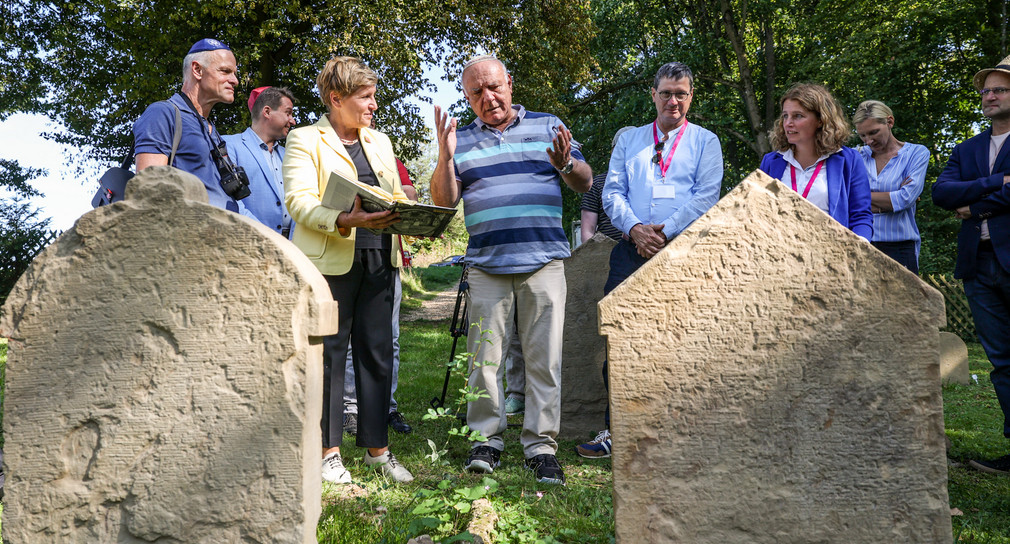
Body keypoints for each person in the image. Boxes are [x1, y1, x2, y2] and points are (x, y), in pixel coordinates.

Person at [431, 54, 592, 485]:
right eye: (476, 92)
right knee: (484, 361)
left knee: (544, 361)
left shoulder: (547, 125)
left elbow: (584, 181)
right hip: (486, 266)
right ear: (467, 98)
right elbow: (443, 203)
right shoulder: (460, 139)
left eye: (494, 87)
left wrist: (565, 163)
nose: (488, 97)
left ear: (510, 85)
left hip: (543, 263)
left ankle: (541, 448)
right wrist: (446, 158)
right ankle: (486, 439)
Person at [580, 63, 723, 459]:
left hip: (684, 252)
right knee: (620, 338)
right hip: (630, 248)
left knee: (685, 340)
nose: (672, 101)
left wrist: (665, 232)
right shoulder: (630, 140)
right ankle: (615, 430)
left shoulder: (705, 141)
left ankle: (681, 434)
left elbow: (706, 195)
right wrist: (636, 229)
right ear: (653, 95)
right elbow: (612, 192)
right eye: (666, 93)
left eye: (681, 93)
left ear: (691, 96)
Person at [283, 56, 413, 484]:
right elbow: (299, 203)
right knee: (331, 355)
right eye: (366, 97)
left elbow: (394, 194)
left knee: (378, 353)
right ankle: (328, 453)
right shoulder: (305, 139)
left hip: (380, 256)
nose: (374, 106)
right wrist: (341, 220)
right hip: (331, 261)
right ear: (336, 99)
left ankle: (378, 450)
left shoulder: (381, 141)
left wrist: (415, 215)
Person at [932, 54, 1010, 475]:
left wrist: (973, 205)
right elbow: (942, 195)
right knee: (1002, 361)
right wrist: (998, 183)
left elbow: (962, 200)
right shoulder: (968, 148)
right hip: (977, 266)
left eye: (999, 89)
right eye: (986, 90)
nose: (990, 96)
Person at [133, 38, 252, 216]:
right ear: (197, 70)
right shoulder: (163, 113)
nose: (235, 80)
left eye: (234, 73)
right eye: (225, 71)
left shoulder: (211, 129)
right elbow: (148, 193)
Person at [343, 158, 417, 435]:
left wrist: (402, 196)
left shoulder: (388, 157)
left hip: (386, 256)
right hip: (345, 254)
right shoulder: (334, 151)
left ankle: (387, 407)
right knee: (351, 341)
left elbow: (410, 194)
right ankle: (351, 410)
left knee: (390, 339)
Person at [759, 83, 872, 240]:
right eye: (785, 115)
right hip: (781, 254)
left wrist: (859, 246)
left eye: (798, 116)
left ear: (820, 120)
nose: (788, 123)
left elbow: (861, 217)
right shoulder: (771, 161)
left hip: (830, 255)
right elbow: (760, 214)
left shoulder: (848, 160)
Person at [852, 100, 929, 273]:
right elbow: (844, 199)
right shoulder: (855, 156)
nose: (868, 141)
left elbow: (905, 199)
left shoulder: (915, 153)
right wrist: (890, 200)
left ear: (890, 122)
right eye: (862, 135)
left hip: (900, 248)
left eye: (874, 132)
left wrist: (860, 198)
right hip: (861, 243)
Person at [222, 86, 297, 236]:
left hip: (292, 245)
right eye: (288, 113)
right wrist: (264, 236)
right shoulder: (229, 145)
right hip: (249, 241)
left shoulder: (290, 154)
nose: (293, 121)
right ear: (267, 112)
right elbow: (229, 200)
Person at [580, 126, 636, 244]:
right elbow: (587, 232)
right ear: (613, 151)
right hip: (607, 255)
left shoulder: (653, 181)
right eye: (622, 148)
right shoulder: (597, 183)